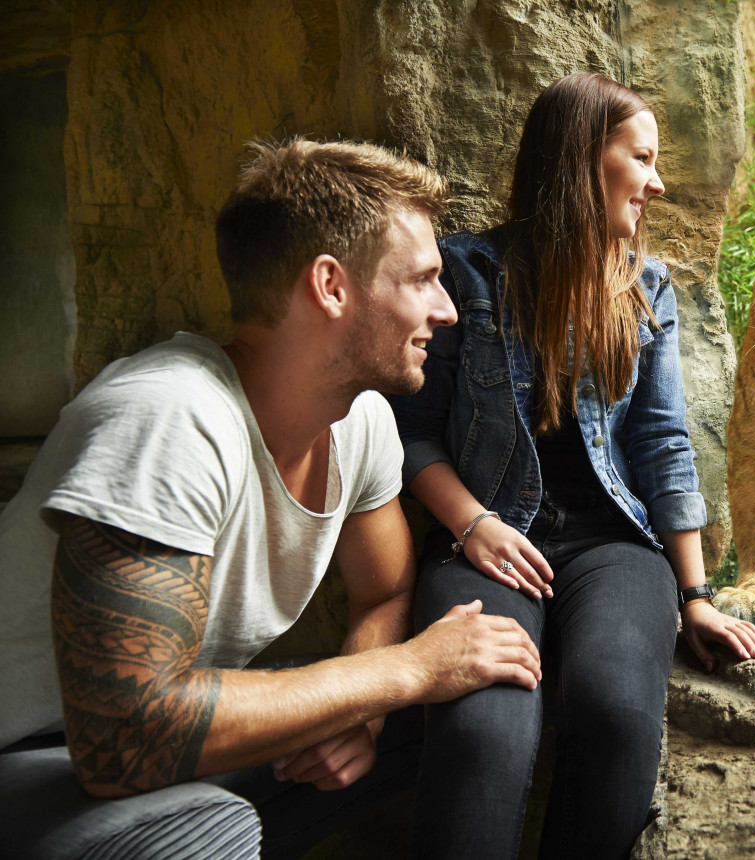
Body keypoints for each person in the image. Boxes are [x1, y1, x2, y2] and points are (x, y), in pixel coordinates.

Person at [0, 138, 541, 858]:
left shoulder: (363, 421)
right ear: (330, 286)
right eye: (423, 279)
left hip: (156, 748)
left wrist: (371, 713)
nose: (447, 310)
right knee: (206, 834)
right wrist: (401, 672)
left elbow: (383, 595)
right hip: (40, 753)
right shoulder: (169, 418)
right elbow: (121, 743)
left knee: (456, 706)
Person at [389, 72, 755, 859]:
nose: (657, 183)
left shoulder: (647, 287)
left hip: (614, 546)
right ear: (581, 160)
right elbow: (410, 432)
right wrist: (474, 522)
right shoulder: (467, 273)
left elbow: (663, 443)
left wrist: (696, 595)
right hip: (486, 537)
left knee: (615, 711)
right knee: (483, 724)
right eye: (643, 158)